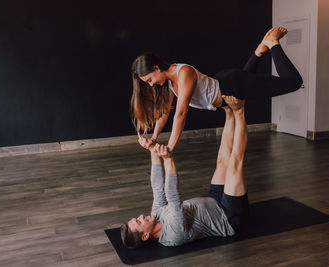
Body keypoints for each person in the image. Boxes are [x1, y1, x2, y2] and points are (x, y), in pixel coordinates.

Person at [130, 27, 303, 152]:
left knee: (293, 82)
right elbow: (164, 113)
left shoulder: (184, 72)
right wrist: (153, 138)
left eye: (150, 79)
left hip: (231, 85)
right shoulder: (167, 83)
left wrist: (170, 147)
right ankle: (259, 50)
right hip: (227, 82)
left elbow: (180, 114)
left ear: (156, 68)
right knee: (245, 78)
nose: (151, 84)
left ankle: (272, 44)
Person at [120, 96, 249, 248]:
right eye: (139, 222)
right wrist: (168, 160)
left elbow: (157, 187)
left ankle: (228, 112)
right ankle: (240, 111)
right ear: (146, 235)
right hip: (228, 217)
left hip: (214, 201)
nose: (141, 216)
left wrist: (152, 149)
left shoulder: (155, 215)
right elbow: (173, 197)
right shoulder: (174, 234)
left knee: (222, 162)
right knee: (234, 165)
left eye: (137, 218)